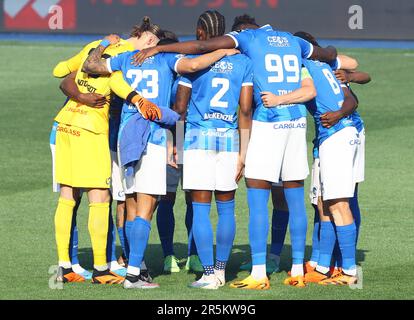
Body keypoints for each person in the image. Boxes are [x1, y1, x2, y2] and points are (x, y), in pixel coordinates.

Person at [83, 16, 242, 289]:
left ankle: (138, 266)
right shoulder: (167, 59)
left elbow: (91, 65)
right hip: (154, 136)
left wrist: (102, 45)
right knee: (147, 206)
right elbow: (193, 63)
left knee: (131, 204)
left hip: (126, 135)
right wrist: (223, 51)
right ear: (153, 41)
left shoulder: (126, 59)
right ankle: (133, 274)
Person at [171, 10, 253, 289]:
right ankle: (221, 270)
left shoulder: (195, 62)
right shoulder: (243, 62)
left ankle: (208, 274)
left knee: (202, 210)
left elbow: (180, 109)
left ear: (201, 33)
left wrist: (177, 146)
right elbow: (245, 108)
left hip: (197, 140)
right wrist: (244, 150)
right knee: (227, 209)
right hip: (230, 140)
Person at [291, 32, 360, 285]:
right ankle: (323, 267)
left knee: (339, 204)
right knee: (324, 202)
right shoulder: (325, 64)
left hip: (337, 135)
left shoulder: (303, 67)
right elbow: (352, 74)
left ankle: (350, 273)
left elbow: (309, 93)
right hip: (333, 136)